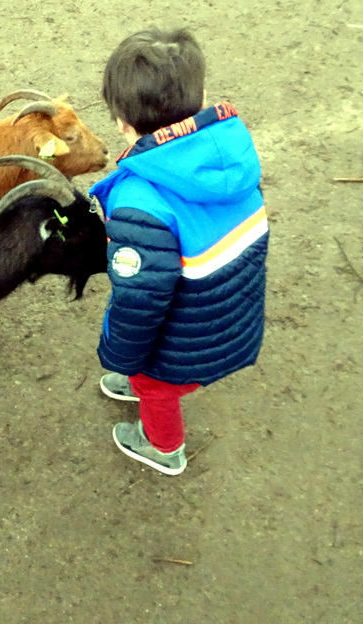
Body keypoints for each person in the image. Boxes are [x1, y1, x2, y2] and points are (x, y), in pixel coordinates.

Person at [88, 27, 268, 475]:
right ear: (201, 94)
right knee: (153, 379)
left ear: (121, 123)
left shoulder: (139, 202)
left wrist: (120, 354)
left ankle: (164, 447)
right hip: (231, 322)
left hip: (182, 349)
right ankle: (139, 382)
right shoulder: (233, 157)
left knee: (157, 392)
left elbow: (140, 300)